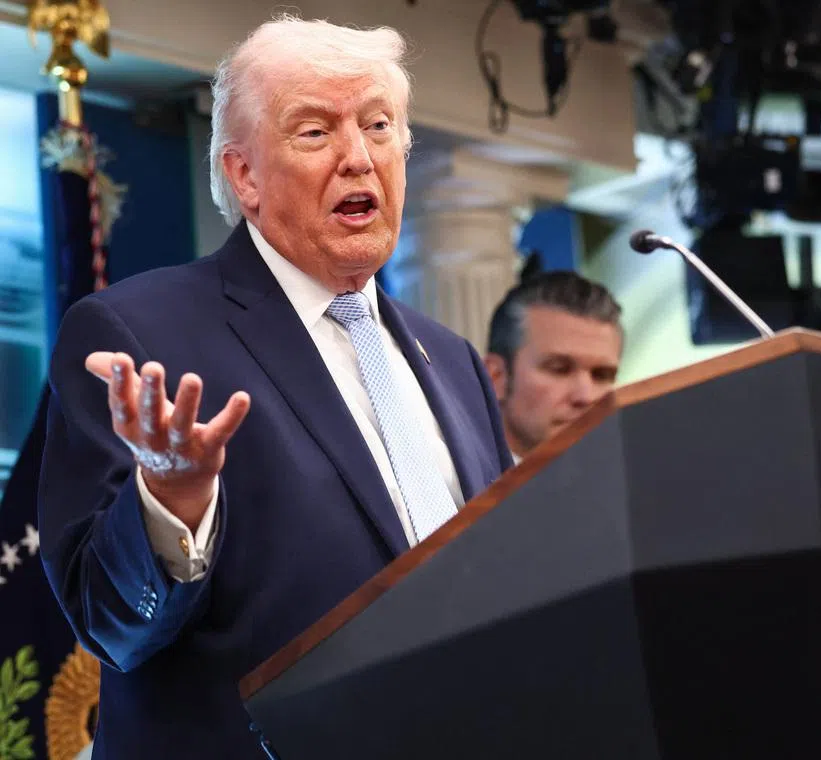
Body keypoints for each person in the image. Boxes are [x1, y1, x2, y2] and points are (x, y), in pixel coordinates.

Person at [37, 15, 513, 759]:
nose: (359, 157)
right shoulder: (137, 333)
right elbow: (109, 622)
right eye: (316, 132)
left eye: (379, 126)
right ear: (244, 174)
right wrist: (171, 502)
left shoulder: (451, 359)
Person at [483, 270, 623, 462]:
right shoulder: (452, 487)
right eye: (559, 369)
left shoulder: (640, 484)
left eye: (601, 375)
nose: (585, 396)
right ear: (495, 377)